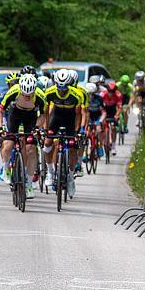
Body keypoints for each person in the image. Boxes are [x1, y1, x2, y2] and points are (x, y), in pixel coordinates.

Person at [0, 73, 46, 199]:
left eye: (30, 95)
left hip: (31, 117)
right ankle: (6, 167)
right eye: (24, 94)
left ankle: (29, 184)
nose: (27, 97)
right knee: (8, 144)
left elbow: (43, 115)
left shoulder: (40, 95)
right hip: (15, 115)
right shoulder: (13, 91)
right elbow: (0, 111)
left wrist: (37, 128)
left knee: (31, 150)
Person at [43, 69, 82, 198]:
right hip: (56, 117)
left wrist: (77, 132)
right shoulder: (50, 92)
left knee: (72, 146)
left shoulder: (76, 95)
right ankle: (50, 172)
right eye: (59, 87)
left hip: (70, 119)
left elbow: (78, 115)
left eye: (64, 88)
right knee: (47, 143)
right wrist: (46, 128)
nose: (61, 90)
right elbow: (46, 111)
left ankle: (70, 178)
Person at [100, 81, 123, 156]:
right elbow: (99, 106)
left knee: (113, 128)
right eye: (109, 91)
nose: (111, 93)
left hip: (113, 110)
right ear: (107, 90)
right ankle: (102, 141)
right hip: (104, 109)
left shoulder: (118, 95)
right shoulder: (102, 94)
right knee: (102, 125)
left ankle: (113, 146)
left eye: (112, 92)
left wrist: (117, 115)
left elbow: (119, 107)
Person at [84, 82, 106, 158]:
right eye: (89, 94)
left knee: (98, 129)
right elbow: (84, 112)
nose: (90, 96)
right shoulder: (84, 98)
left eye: (92, 94)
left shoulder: (99, 98)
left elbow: (103, 112)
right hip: (88, 116)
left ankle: (99, 145)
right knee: (86, 132)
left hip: (98, 116)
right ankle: (85, 151)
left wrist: (100, 121)